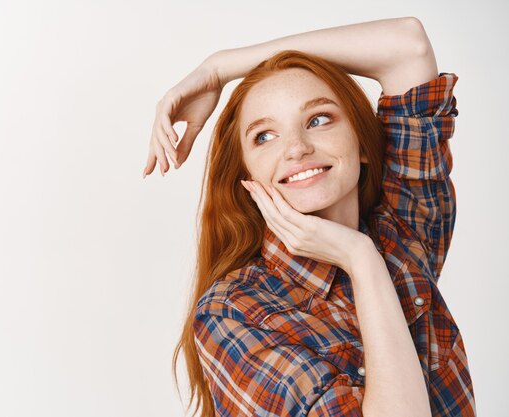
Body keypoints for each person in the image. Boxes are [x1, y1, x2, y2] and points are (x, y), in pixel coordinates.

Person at [143, 17, 476, 417]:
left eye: (318, 119)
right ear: (247, 175)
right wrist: (362, 260)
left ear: (363, 145)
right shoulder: (233, 313)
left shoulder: (402, 231)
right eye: (264, 136)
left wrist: (221, 67)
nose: (296, 148)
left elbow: (407, 46)